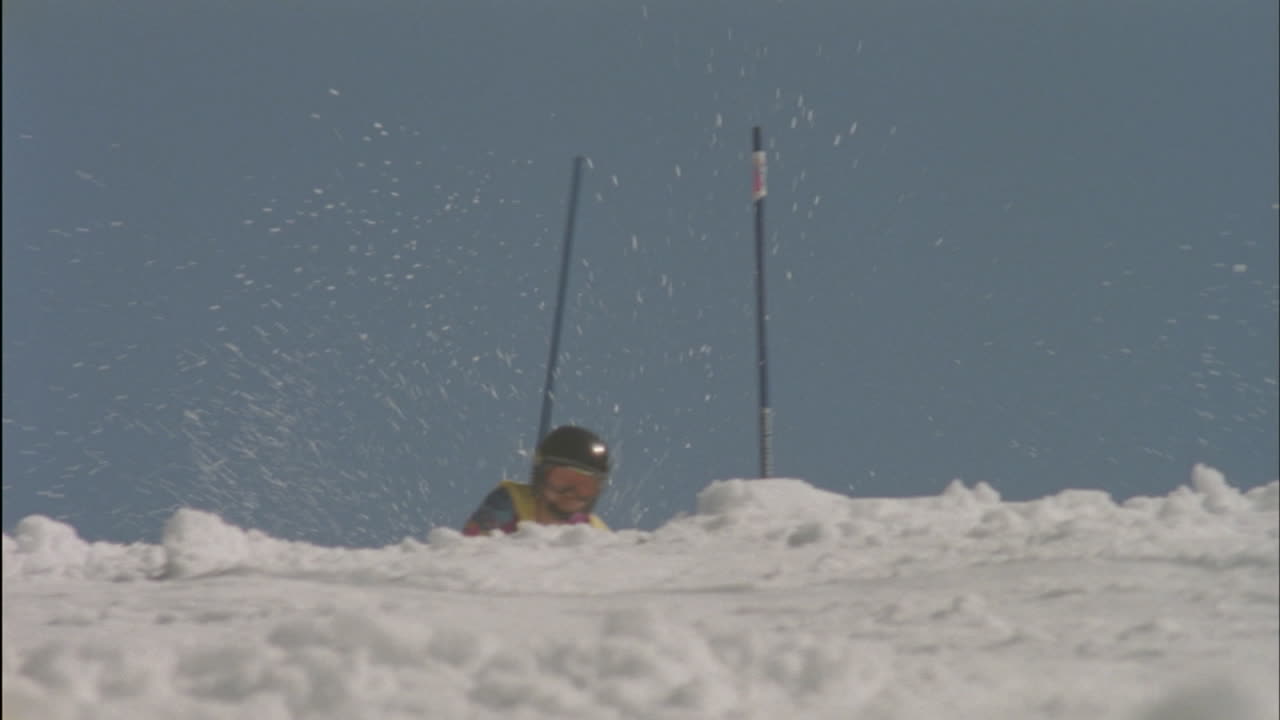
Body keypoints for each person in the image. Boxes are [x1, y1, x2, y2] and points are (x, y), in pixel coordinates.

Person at [461, 425, 611, 536]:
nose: (569, 494)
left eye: (584, 488)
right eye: (562, 482)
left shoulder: (594, 533)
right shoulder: (508, 505)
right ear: (540, 478)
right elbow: (474, 549)